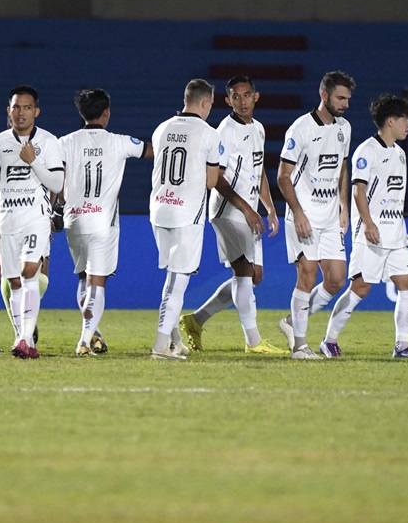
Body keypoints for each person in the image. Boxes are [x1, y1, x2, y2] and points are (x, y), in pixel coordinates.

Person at [178, 76, 285, 355]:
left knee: (254, 276)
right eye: (235, 97)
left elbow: (259, 170)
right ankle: (254, 342)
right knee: (244, 273)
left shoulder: (259, 129)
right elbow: (218, 180)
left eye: (247, 95)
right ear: (228, 101)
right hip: (227, 211)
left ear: (256, 97)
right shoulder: (225, 130)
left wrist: (269, 207)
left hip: (249, 211)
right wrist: (249, 210)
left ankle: (195, 320)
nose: (242, 101)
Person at [318, 94, 408, 359]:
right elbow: (359, 190)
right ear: (391, 121)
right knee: (361, 288)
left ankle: (402, 346)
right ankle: (329, 340)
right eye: (405, 120)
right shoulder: (367, 151)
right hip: (373, 232)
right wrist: (367, 224)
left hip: (396, 234)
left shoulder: (400, 154)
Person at [59, 87, 153, 356]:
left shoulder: (64, 142)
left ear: (82, 113)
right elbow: (153, 151)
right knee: (97, 282)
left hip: (74, 219)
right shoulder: (120, 142)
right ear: (107, 112)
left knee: (83, 277)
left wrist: (55, 207)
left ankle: (94, 332)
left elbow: (57, 177)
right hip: (103, 221)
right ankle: (84, 339)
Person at [276, 71, 355, 360]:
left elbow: (342, 168)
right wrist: (297, 213)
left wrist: (344, 206)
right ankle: (299, 346)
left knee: (336, 279)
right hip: (304, 212)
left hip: (331, 216)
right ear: (324, 96)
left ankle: (290, 321)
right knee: (307, 275)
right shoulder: (301, 129)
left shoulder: (344, 128)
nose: (345, 104)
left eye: (348, 98)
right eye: (340, 98)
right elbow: (283, 176)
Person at [0, 85, 64, 360]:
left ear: (36, 111)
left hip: (36, 216)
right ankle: (24, 340)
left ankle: (23, 337)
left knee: (30, 270)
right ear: (9, 110)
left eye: (27, 107)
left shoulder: (50, 142)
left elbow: (57, 182)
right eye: (16, 107)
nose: (21, 112)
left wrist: (34, 161)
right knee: (13, 281)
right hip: (8, 218)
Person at [148, 79, 222, 360]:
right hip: (186, 213)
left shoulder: (161, 128)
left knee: (172, 276)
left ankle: (174, 342)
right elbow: (212, 181)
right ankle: (159, 345)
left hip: (159, 210)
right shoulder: (209, 134)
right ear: (205, 103)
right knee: (177, 282)